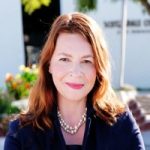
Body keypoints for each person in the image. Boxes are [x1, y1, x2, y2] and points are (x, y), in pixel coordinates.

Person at [4, 12, 145, 150]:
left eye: (86, 61)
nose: (76, 72)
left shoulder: (122, 125)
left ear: (98, 68)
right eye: (64, 59)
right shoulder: (21, 133)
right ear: (49, 64)